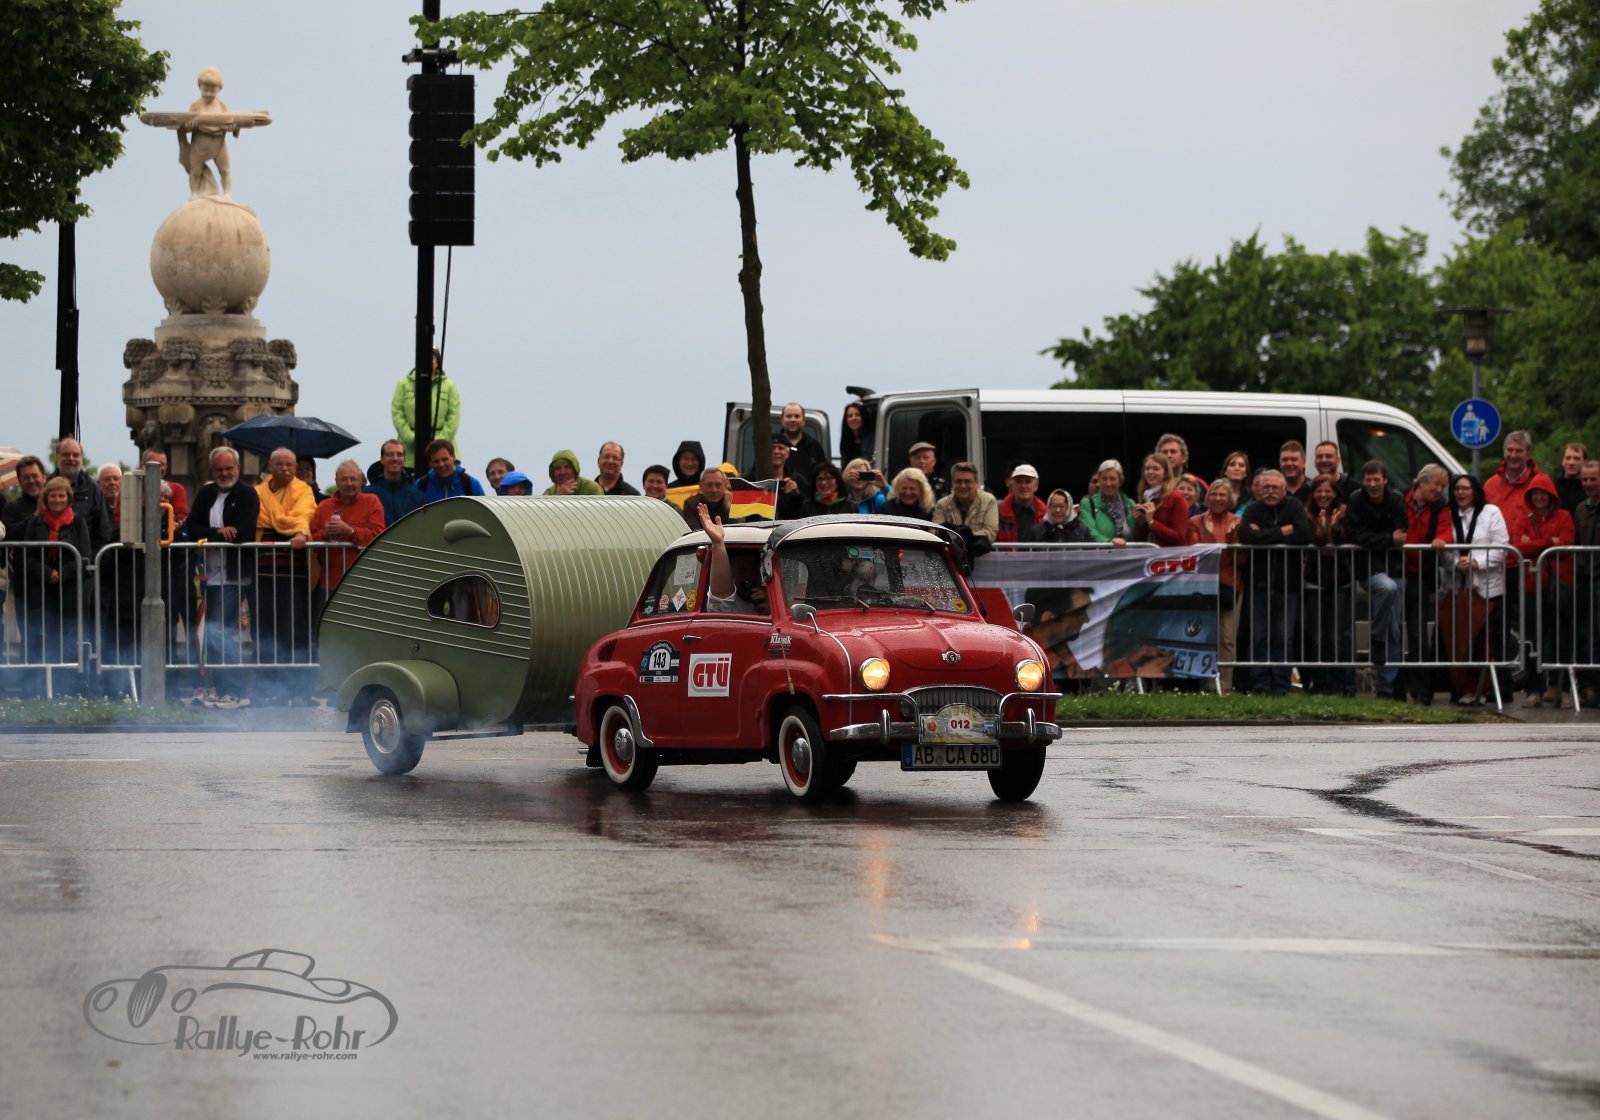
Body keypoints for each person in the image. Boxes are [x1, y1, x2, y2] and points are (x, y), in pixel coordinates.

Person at [177, 447, 260, 708]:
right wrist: (218, 532)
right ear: (212, 470)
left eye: (228, 468)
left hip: (233, 576)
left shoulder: (247, 494)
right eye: (219, 469)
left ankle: (236, 691)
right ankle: (222, 689)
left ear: (238, 468)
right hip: (207, 577)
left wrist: (216, 534)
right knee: (211, 634)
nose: (224, 473)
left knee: (218, 631)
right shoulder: (206, 493)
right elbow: (193, 526)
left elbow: (243, 532)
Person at [1433, 474, 1511, 706]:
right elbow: (1442, 548)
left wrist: (1477, 562)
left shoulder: (1491, 512)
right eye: (1457, 488)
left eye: (1465, 488)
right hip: (1456, 588)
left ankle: (1479, 690)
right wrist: (1456, 563)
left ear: (1475, 491)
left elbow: (1502, 547)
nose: (1461, 493)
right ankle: (1459, 688)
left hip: (1486, 589)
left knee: (1482, 642)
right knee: (1458, 641)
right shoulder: (1447, 514)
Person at [1483, 430, 1551, 691]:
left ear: (1528, 454)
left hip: (1528, 567)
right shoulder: (1491, 484)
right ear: (1504, 452)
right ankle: (1501, 686)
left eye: (1519, 451)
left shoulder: (1538, 484)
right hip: (1497, 567)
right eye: (1510, 450)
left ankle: (1536, 685)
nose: (1513, 455)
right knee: (1498, 627)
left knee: (1532, 628)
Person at [1237, 470, 1311, 695]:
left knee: (1283, 637)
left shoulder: (1294, 507)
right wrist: (1281, 531)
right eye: (1266, 487)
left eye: (1275, 487)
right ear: (1259, 490)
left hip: (1287, 585)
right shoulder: (1253, 509)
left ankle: (1280, 684)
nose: (1270, 491)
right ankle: (1260, 683)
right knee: (1258, 636)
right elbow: (1246, 536)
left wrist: (1264, 534)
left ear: (1284, 489)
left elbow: (1303, 535)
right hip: (1258, 584)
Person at [1344, 460, 1407, 697]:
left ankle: (1386, 686)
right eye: (1368, 480)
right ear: (1363, 481)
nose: (1372, 484)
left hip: (1395, 567)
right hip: (1369, 569)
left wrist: (1376, 538)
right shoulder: (1355, 500)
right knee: (1387, 588)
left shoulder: (1396, 499)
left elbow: (1402, 532)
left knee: (1394, 629)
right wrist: (1387, 539)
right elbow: (1355, 535)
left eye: (1376, 479)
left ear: (1385, 480)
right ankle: (1375, 636)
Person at [18, 476, 92, 670]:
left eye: (61, 496)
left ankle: (67, 679)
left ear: (68, 498)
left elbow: (84, 556)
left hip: (70, 592)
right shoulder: (35, 523)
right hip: (41, 591)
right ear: (46, 498)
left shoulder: (79, 523)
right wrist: (47, 573)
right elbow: (26, 556)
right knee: (42, 638)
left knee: (69, 640)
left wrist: (61, 574)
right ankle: (41, 681)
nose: (57, 500)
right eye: (53, 496)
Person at [255, 447, 317, 673]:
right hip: (262, 569)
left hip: (293, 570)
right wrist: (286, 524)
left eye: (289, 464)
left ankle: (295, 679)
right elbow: (257, 518)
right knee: (264, 624)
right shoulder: (258, 492)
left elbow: (303, 515)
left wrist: (300, 533)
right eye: (279, 464)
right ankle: (266, 677)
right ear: (270, 467)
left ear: (295, 468)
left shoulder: (303, 490)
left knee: (292, 622)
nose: (284, 468)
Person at [1515, 475, 1575, 708]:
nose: (1539, 498)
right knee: (1531, 639)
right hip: (1531, 587)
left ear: (1551, 496)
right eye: (1535, 494)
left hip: (1558, 586)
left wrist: (1535, 542)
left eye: (1543, 493)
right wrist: (1550, 541)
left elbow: (1566, 543)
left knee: (1561, 638)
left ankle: (1561, 688)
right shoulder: (1523, 520)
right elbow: (1519, 547)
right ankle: (1534, 689)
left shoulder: (1564, 516)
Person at [1400, 464, 1451, 704]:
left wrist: (1441, 539)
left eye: (1443, 486)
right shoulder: (1400, 499)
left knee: (1418, 633)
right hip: (1396, 572)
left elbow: (1446, 530)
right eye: (1437, 484)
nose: (1440, 490)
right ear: (1422, 482)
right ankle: (1394, 688)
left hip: (1420, 575)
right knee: (1393, 631)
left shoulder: (1441, 507)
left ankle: (1422, 691)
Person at [1300, 473, 1354, 696]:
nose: (1323, 495)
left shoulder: (1345, 512)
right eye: (1319, 491)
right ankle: (1318, 681)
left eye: (1328, 491)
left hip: (1340, 580)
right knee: (1317, 636)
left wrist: (1335, 525)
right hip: (1314, 580)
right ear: (1313, 494)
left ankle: (1336, 682)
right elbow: (1314, 540)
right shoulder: (1306, 513)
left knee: (1336, 636)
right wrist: (1322, 528)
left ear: (1335, 493)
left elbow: (1344, 539)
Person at [1188, 478, 1242, 691]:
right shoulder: (1195, 522)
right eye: (1214, 494)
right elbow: (1195, 555)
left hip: (1231, 584)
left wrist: (1233, 539)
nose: (1218, 498)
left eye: (1222, 495)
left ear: (1230, 499)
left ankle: (1225, 686)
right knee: (1203, 636)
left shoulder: (1238, 522)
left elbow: (1243, 558)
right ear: (1207, 497)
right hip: (1202, 586)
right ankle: (1206, 685)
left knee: (1227, 638)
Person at [311, 459, 386, 594]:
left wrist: (350, 531)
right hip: (330, 582)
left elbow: (378, 536)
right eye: (344, 479)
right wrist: (325, 534)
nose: (349, 483)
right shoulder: (324, 507)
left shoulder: (372, 502)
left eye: (353, 479)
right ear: (336, 481)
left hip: (364, 581)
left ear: (361, 481)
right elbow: (312, 542)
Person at [391, 348, 462, 471]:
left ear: (437, 362)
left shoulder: (450, 386)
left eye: (432, 358)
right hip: (410, 453)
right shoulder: (403, 385)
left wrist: (439, 442)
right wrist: (411, 438)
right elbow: (397, 413)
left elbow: (454, 417)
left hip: (443, 451)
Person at [697, 503, 768, 614]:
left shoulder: (771, 598)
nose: (748, 577)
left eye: (753, 570)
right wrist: (718, 543)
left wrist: (772, 607)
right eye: (741, 570)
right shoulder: (728, 606)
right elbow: (721, 596)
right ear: (730, 572)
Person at [52, 437, 115, 557]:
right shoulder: (47, 485)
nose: (71, 458)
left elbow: (103, 529)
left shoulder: (93, 488)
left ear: (81, 458)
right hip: (52, 559)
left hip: (85, 560)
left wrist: (92, 558)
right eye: (66, 454)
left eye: (75, 455)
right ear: (58, 457)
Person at [1574, 460, 1600, 707]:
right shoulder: (1581, 508)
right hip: (1586, 578)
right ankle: (1590, 686)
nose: (1589, 484)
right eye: (1585, 479)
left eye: (1593, 479)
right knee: (1588, 634)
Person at [931, 461, 998, 554]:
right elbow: (934, 533)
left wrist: (964, 538)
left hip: (980, 557)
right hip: (950, 557)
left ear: (976, 483)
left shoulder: (989, 500)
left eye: (967, 481)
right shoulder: (942, 504)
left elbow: (990, 533)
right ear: (952, 483)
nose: (963, 486)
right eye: (958, 481)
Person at [364, 439, 426, 525]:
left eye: (399, 454)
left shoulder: (418, 497)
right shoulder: (366, 495)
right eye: (390, 454)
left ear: (404, 459)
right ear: (382, 459)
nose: (395, 458)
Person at [1132, 454, 1188, 547]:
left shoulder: (1177, 498)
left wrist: (1152, 522)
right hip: (1150, 554)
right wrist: (1141, 521)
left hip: (1171, 555)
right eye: (1147, 468)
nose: (1150, 472)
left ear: (1165, 473)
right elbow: (1140, 540)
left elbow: (1179, 538)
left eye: (1156, 469)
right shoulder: (1145, 498)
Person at [1081, 459, 1138, 547]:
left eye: (1112, 479)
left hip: (1128, 553)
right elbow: (1089, 531)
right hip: (1100, 553)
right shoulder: (1087, 504)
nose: (1108, 483)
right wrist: (1109, 542)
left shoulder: (1130, 504)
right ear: (1099, 481)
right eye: (1104, 478)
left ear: (1120, 481)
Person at [415, 439, 485, 503]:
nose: (441, 464)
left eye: (445, 459)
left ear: (453, 457)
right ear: (430, 463)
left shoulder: (470, 484)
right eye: (436, 461)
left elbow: (484, 511)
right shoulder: (421, 486)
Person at [775, 403, 828, 485]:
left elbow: (824, 474)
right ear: (782, 420)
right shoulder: (772, 446)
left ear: (803, 421)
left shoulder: (814, 446)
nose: (793, 420)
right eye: (789, 416)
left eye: (797, 416)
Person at [756, 438, 805, 518]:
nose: (776, 451)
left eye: (781, 448)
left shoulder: (798, 481)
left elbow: (806, 512)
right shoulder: (753, 479)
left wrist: (796, 495)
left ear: (787, 454)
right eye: (772, 448)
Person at [997, 465, 1046, 542]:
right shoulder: (997, 510)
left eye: (1028, 482)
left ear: (1036, 486)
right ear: (1012, 485)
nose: (1023, 486)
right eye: (1019, 481)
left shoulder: (1046, 514)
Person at [1155, 433, 1209, 503]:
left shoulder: (1198, 484)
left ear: (1183, 458)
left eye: (1173, 452)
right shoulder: (1151, 482)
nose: (1168, 455)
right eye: (1165, 452)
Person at [1555, 441, 1587, 514]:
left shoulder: (1590, 488)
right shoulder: (1553, 487)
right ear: (1563, 461)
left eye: (1576, 459)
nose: (1571, 462)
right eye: (1568, 458)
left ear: (1585, 462)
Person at [840, 401, 874, 466]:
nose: (854, 418)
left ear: (863, 417)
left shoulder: (872, 439)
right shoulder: (845, 441)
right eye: (850, 416)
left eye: (857, 415)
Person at [1279, 441, 1311, 506]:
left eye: (1293, 459)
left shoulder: (1313, 488)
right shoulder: (1274, 489)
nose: (1289, 463)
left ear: (1304, 463)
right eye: (1285, 460)